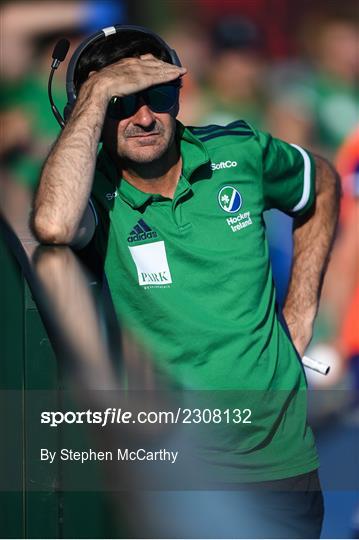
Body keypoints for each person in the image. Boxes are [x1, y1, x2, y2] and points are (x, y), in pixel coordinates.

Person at [32, 26, 340, 538]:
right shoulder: (93, 192)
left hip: (283, 469)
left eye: (159, 94)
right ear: (83, 109)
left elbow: (322, 182)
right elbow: (54, 224)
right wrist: (95, 92)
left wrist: (302, 306)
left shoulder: (239, 153)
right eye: (120, 102)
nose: (145, 116)